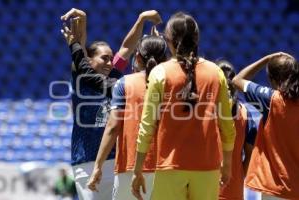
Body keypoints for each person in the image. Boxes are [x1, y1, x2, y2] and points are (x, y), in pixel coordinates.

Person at [131, 12, 236, 200]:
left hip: (170, 167)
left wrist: (137, 170)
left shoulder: (159, 72)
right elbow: (227, 126)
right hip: (208, 166)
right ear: (197, 39)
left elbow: (147, 126)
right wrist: (227, 164)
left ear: (168, 40)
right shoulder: (216, 72)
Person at [87, 34, 167, 200]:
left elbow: (113, 127)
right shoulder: (175, 83)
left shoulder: (124, 83)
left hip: (129, 168)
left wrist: (98, 166)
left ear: (137, 57)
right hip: (167, 168)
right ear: (165, 58)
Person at [61, 8, 128, 200]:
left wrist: (141, 20)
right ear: (89, 61)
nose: (110, 62)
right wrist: (82, 24)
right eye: (104, 58)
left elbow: (126, 49)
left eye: (111, 58)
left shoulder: (114, 79)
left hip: (116, 161)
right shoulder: (82, 79)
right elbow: (79, 54)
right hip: (87, 162)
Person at [232, 53, 299, 200]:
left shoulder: (271, 100)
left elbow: (237, 80)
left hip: (275, 188)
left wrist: (266, 59)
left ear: (272, 80)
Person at [216, 60, 257, 200]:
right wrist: (239, 175)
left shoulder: (203, 112)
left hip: (203, 186)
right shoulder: (246, 113)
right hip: (234, 189)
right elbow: (250, 154)